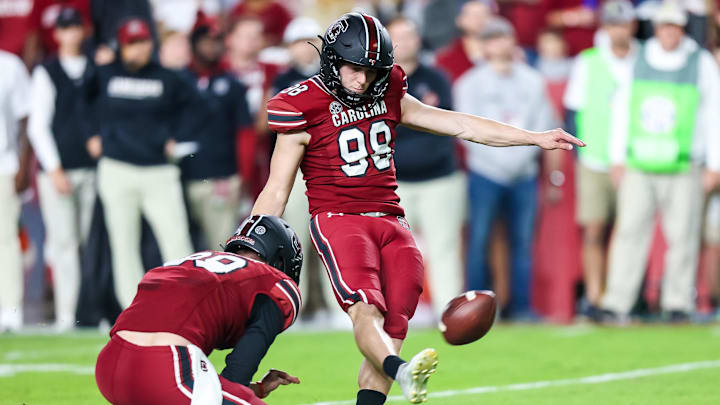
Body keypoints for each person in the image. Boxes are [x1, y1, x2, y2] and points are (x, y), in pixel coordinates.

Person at [256, 12, 583, 404]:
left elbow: (460, 125)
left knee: (393, 330)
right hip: (341, 220)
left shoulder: (389, 87)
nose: (363, 79)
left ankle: (393, 373)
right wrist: (248, 245)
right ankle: (402, 371)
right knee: (366, 312)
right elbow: (277, 187)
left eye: (371, 71)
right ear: (332, 61)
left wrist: (533, 138)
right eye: (354, 68)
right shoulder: (301, 104)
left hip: (394, 221)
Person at [95, 215, 303, 405]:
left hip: (110, 363)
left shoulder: (192, 260)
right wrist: (248, 393)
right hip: (166, 369)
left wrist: (258, 388)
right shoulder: (273, 283)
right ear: (281, 260)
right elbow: (236, 376)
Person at [601, 2, 720, 322]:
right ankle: (617, 301)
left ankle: (677, 302)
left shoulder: (700, 61)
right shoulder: (639, 58)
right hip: (640, 161)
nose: (669, 32)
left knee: (683, 234)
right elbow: (622, 109)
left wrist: (714, 162)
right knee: (630, 232)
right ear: (657, 28)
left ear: (682, 29)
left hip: (684, 163)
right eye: (664, 26)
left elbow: (713, 113)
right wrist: (617, 157)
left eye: (674, 27)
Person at [87, 18, 196, 309]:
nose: (138, 49)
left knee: (176, 241)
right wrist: (90, 135)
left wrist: (179, 137)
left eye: (143, 42)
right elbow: (78, 102)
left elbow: (198, 108)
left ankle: (184, 304)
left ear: (152, 43)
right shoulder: (103, 73)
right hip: (117, 168)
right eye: (131, 43)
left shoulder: (167, 77)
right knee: (123, 245)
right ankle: (132, 310)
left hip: (159, 171)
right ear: (121, 46)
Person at [455, 17, 557, 320]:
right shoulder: (470, 83)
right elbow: (464, 129)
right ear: (484, 46)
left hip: (524, 172)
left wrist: (523, 157)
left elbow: (544, 123)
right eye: (494, 39)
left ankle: (522, 308)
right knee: (479, 240)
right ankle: (473, 311)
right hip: (485, 172)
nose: (501, 44)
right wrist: (500, 158)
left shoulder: (533, 80)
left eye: (505, 37)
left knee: (523, 242)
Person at [563, 0, 638, 316]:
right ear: (605, 27)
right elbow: (572, 109)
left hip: (635, 159)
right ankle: (595, 295)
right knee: (594, 230)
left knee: (630, 232)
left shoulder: (644, 60)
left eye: (624, 23)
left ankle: (622, 297)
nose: (619, 29)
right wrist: (580, 153)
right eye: (613, 23)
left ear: (632, 26)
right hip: (595, 157)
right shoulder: (588, 61)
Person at [387, 17, 465, 320]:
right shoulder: (376, 81)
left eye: (409, 35)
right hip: (394, 183)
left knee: (444, 247)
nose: (405, 42)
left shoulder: (437, 79)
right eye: (398, 37)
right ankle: (394, 312)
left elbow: (444, 125)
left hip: (439, 178)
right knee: (392, 251)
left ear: (419, 40)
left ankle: (451, 314)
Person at [27, 7, 97, 331]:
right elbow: (38, 126)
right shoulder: (47, 71)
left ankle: (90, 311)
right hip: (59, 170)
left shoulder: (96, 68)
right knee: (64, 242)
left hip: (93, 169)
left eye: (74, 27)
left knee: (90, 242)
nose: (70, 34)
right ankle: (68, 314)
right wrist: (53, 168)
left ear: (82, 31)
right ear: (56, 34)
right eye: (64, 28)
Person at [181, 15, 252, 249]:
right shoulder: (177, 81)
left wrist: (243, 176)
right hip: (181, 178)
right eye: (205, 41)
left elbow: (245, 132)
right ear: (193, 43)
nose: (211, 47)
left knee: (219, 251)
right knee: (182, 250)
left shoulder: (232, 84)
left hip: (220, 178)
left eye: (216, 41)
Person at [0, 48, 31, 333]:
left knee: (5, 240)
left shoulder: (9, 65)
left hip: (3, 163)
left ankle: (10, 309)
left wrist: (23, 165)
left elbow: (25, 118)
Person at [434, 0, 492, 83]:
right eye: (474, 16)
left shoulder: (507, 54)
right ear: (459, 20)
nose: (480, 20)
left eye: (484, 15)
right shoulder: (447, 58)